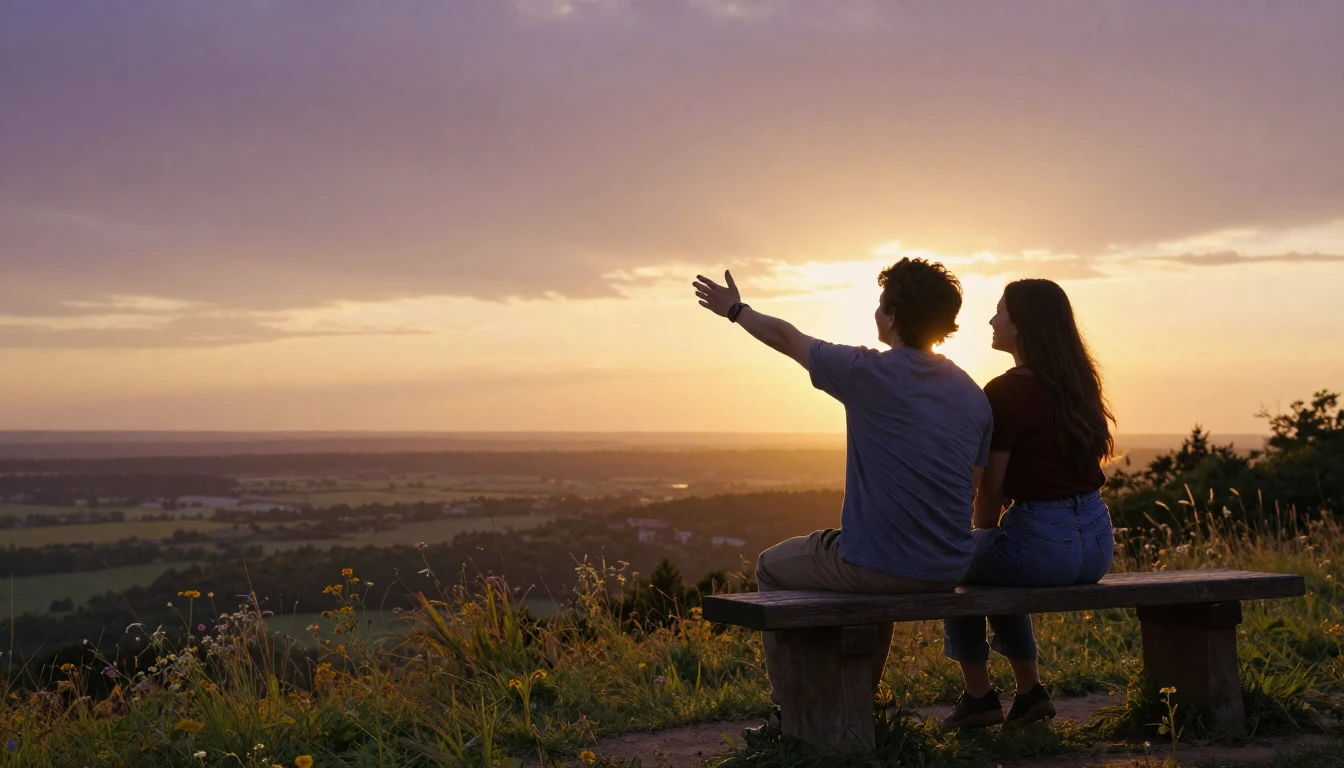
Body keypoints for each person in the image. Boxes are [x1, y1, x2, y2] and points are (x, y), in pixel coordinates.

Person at [691, 259, 993, 739]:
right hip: (947, 567)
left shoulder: (864, 371)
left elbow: (787, 338)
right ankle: (858, 704)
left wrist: (736, 310)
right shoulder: (974, 397)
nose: (876, 312)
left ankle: (788, 713)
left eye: (880, 304)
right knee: (878, 576)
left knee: (772, 566)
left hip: (880, 567)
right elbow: (970, 489)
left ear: (891, 316)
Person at [940, 278, 1117, 732]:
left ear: (1022, 325)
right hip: (1096, 543)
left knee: (949, 564)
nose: (992, 320)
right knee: (995, 564)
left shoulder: (1006, 391)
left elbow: (992, 489)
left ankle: (979, 696)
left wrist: (975, 538)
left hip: (1042, 542)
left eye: (1000, 311)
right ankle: (1029, 692)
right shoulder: (1078, 382)